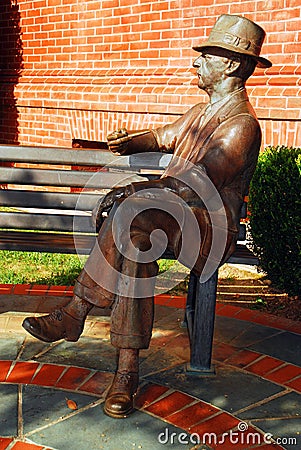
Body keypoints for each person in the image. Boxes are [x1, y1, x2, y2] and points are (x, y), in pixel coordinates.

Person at [22, 15, 272, 418]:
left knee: (133, 210)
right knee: (134, 237)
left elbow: (197, 185)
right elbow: (165, 136)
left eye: (205, 56)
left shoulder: (241, 126)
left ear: (228, 64)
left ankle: (75, 313)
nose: (196, 63)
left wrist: (133, 189)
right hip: (171, 214)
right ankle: (125, 372)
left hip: (206, 227)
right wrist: (132, 141)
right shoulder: (201, 111)